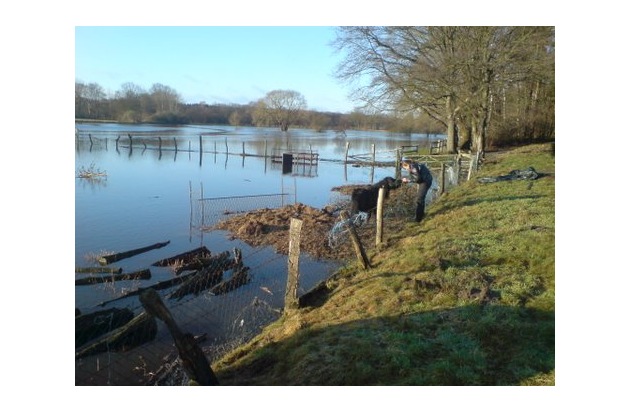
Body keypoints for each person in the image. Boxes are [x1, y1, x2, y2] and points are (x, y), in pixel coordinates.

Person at [401, 158, 433, 223]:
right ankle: (421, 214)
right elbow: (416, 176)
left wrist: (407, 180)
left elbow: (418, 179)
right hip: (426, 179)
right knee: (421, 198)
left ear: (407, 164)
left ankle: (418, 219)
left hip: (425, 181)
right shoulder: (415, 164)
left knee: (420, 199)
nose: (406, 169)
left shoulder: (413, 167)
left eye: (405, 167)